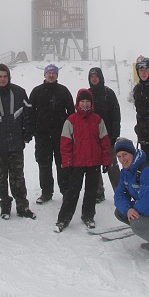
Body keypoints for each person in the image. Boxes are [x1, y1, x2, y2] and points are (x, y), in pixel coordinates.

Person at [0, 64, 36, 220]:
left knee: (18, 177)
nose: (2, 79)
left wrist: (27, 135)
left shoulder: (19, 92)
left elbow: (29, 114)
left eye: (5, 76)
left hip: (16, 143)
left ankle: (22, 206)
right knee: (0, 178)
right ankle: (5, 205)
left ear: (9, 77)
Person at [54, 89, 111, 232]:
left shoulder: (98, 120)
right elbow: (65, 144)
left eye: (87, 102)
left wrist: (106, 160)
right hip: (76, 163)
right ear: (78, 103)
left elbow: (104, 142)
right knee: (72, 192)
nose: (85, 104)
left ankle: (88, 216)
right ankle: (63, 219)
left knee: (91, 191)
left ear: (91, 103)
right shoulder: (71, 120)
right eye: (82, 101)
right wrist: (66, 162)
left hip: (94, 162)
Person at [29, 64, 75, 204]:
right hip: (42, 136)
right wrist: (33, 130)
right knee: (44, 165)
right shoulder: (37, 91)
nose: (51, 75)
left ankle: (65, 191)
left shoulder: (63, 91)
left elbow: (71, 112)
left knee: (63, 165)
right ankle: (46, 193)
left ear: (57, 75)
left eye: (53, 73)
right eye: (48, 73)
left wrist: (70, 131)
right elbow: (30, 113)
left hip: (61, 136)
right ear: (44, 75)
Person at [88, 67, 121, 203]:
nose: (94, 79)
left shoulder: (109, 93)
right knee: (94, 166)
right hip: (92, 137)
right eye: (92, 77)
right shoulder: (87, 94)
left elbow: (116, 116)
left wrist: (114, 135)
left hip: (108, 136)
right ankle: (98, 192)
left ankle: (120, 192)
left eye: (96, 76)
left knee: (112, 165)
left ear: (101, 77)